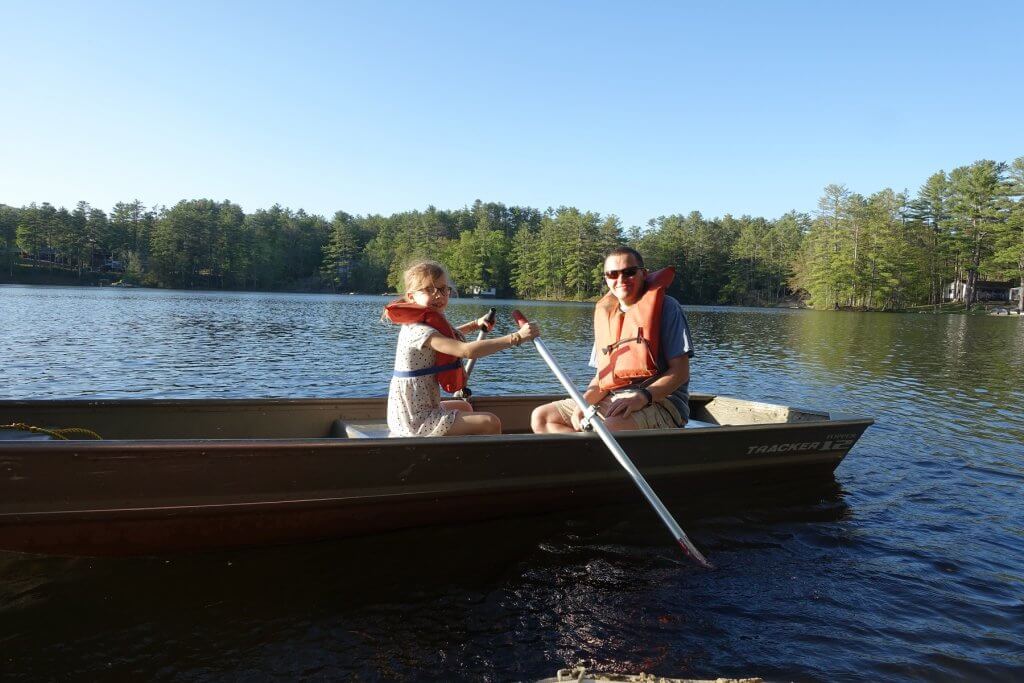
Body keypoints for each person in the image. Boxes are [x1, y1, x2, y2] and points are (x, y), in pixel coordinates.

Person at [531, 246, 693, 433]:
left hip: (660, 402)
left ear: (643, 274)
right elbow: (602, 375)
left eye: (629, 272)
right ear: (606, 278)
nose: (621, 280)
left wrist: (642, 396)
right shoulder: (607, 314)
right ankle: (584, 458)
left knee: (604, 431)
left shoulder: (668, 308)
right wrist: (583, 403)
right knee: (542, 417)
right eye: (612, 274)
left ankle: (591, 455)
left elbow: (681, 372)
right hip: (614, 397)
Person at [384, 260, 539, 437]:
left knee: (464, 406)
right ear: (411, 297)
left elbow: (450, 335)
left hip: (414, 411)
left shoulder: (422, 324)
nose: (438, 295)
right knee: (491, 422)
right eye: (429, 289)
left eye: (443, 289)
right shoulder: (418, 330)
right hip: (415, 420)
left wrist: (476, 324)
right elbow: (465, 350)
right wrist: (517, 337)